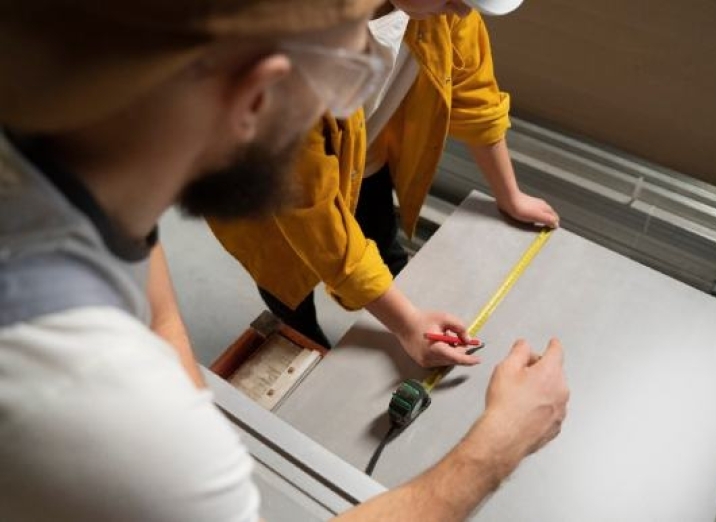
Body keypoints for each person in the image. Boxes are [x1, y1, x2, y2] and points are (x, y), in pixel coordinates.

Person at [0, 1, 569, 521]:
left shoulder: (74, 157)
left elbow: (152, 288)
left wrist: (191, 408)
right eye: (348, 77)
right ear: (257, 98)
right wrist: (496, 447)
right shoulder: (99, 405)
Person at [207, 0, 560, 370]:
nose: (460, 12)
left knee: (381, 239)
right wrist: (407, 325)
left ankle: (395, 309)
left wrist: (510, 195)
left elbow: (476, 95)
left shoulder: (436, 11)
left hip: (362, 159)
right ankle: (304, 339)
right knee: (287, 280)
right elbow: (309, 214)